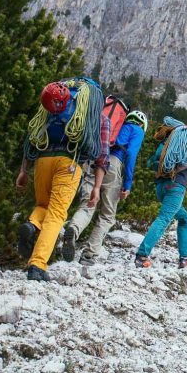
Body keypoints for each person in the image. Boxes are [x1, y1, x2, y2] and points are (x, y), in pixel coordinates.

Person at [16, 79, 110, 282]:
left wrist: (23, 171)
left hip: (43, 159)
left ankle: (32, 225)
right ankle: (37, 265)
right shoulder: (97, 117)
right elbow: (102, 156)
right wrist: (96, 187)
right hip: (69, 162)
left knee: (43, 205)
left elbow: (31, 139)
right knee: (57, 214)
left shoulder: (51, 110)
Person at [61, 109, 148, 265]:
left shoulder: (115, 124)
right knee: (107, 215)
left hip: (93, 159)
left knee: (88, 203)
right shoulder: (137, 129)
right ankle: (89, 255)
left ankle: (73, 229)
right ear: (142, 124)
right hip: (112, 164)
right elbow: (131, 154)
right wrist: (127, 184)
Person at [134, 122, 187, 269]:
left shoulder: (178, 140)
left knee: (185, 219)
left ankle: (185, 258)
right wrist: (175, 171)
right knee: (163, 219)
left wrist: (167, 171)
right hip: (175, 188)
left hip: (161, 187)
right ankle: (141, 256)